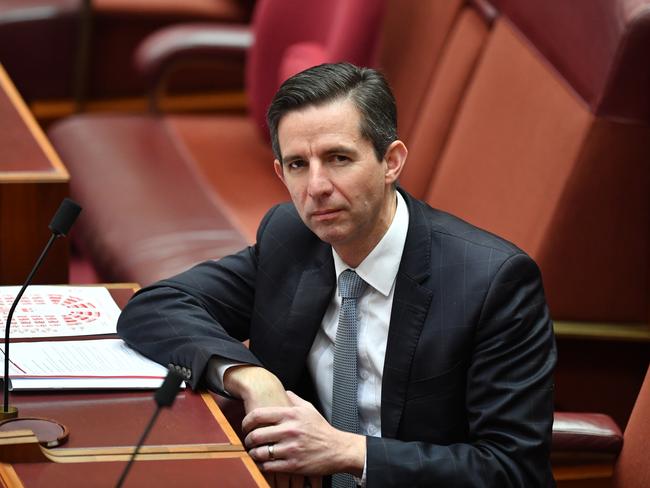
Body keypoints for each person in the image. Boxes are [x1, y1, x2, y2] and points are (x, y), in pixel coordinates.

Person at [117, 62, 557, 487]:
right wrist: (252, 378)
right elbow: (157, 307)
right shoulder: (292, 238)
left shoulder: (492, 282)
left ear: (392, 162)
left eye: (339, 158)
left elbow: (513, 470)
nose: (317, 187)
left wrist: (349, 452)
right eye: (297, 165)